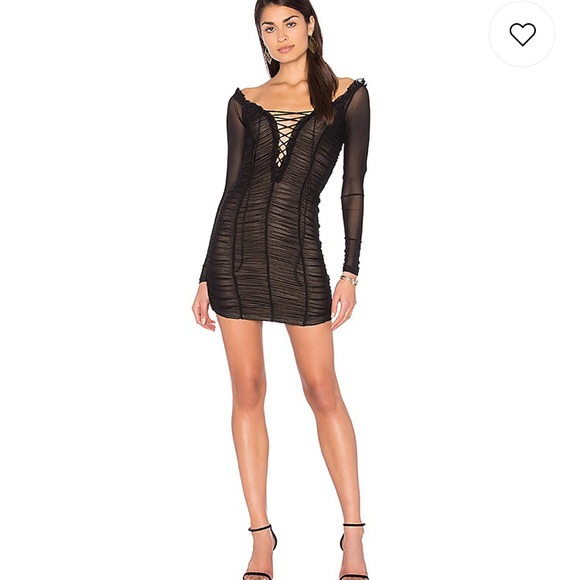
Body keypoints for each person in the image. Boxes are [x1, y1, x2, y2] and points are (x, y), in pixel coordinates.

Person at [191, 1, 370, 578]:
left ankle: (353, 537)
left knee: (322, 390)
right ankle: (261, 537)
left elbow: (352, 186)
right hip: (235, 254)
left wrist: (351, 270)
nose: (281, 35)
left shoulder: (348, 95)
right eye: (269, 27)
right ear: (261, 37)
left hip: (299, 255)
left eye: (290, 22)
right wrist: (204, 273)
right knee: (247, 389)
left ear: (310, 25)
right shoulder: (243, 101)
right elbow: (231, 188)